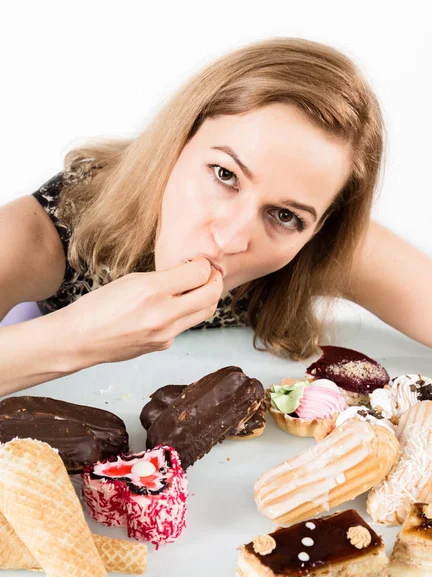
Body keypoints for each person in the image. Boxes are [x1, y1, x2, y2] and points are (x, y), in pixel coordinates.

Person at [0, 37, 431, 397]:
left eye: (283, 215)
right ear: (174, 144)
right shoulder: (48, 231)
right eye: (225, 175)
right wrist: (80, 336)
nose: (229, 238)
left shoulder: (319, 247)